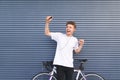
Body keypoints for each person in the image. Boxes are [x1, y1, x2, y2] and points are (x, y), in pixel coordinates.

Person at [44, 16, 84, 80]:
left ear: (74, 29)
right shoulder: (59, 36)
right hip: (59, 64)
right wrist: (47, 23)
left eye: (70, 27)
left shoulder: (75, 40)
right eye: (67, 27)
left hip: (69, 65)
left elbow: (77, 51)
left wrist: (81, 45)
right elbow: (47, 33)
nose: (68, 28)